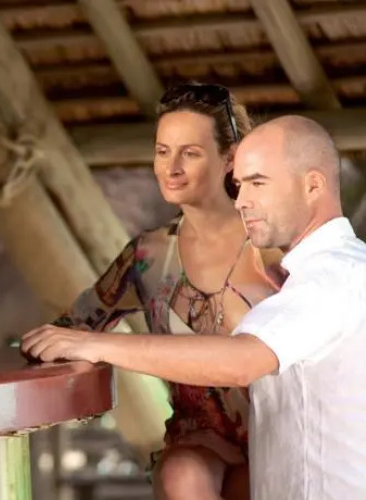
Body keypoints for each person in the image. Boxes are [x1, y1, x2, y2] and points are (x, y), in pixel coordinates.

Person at [22, 115, 366, 499]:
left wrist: (96, 345)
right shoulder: (328, 273)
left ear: (313, 185)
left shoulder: (332, 277)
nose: (242, 200)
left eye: (258, 183)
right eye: (239, 185)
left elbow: (242, 361)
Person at [35, 83, 285, 500]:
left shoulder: (274, 244)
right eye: (163, 151)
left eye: (191, 153)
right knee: (182, 474)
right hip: (198, 443)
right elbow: (74, 328)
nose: (172, 167)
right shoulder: (148, 256)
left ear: (229, 158)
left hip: (280, 435)